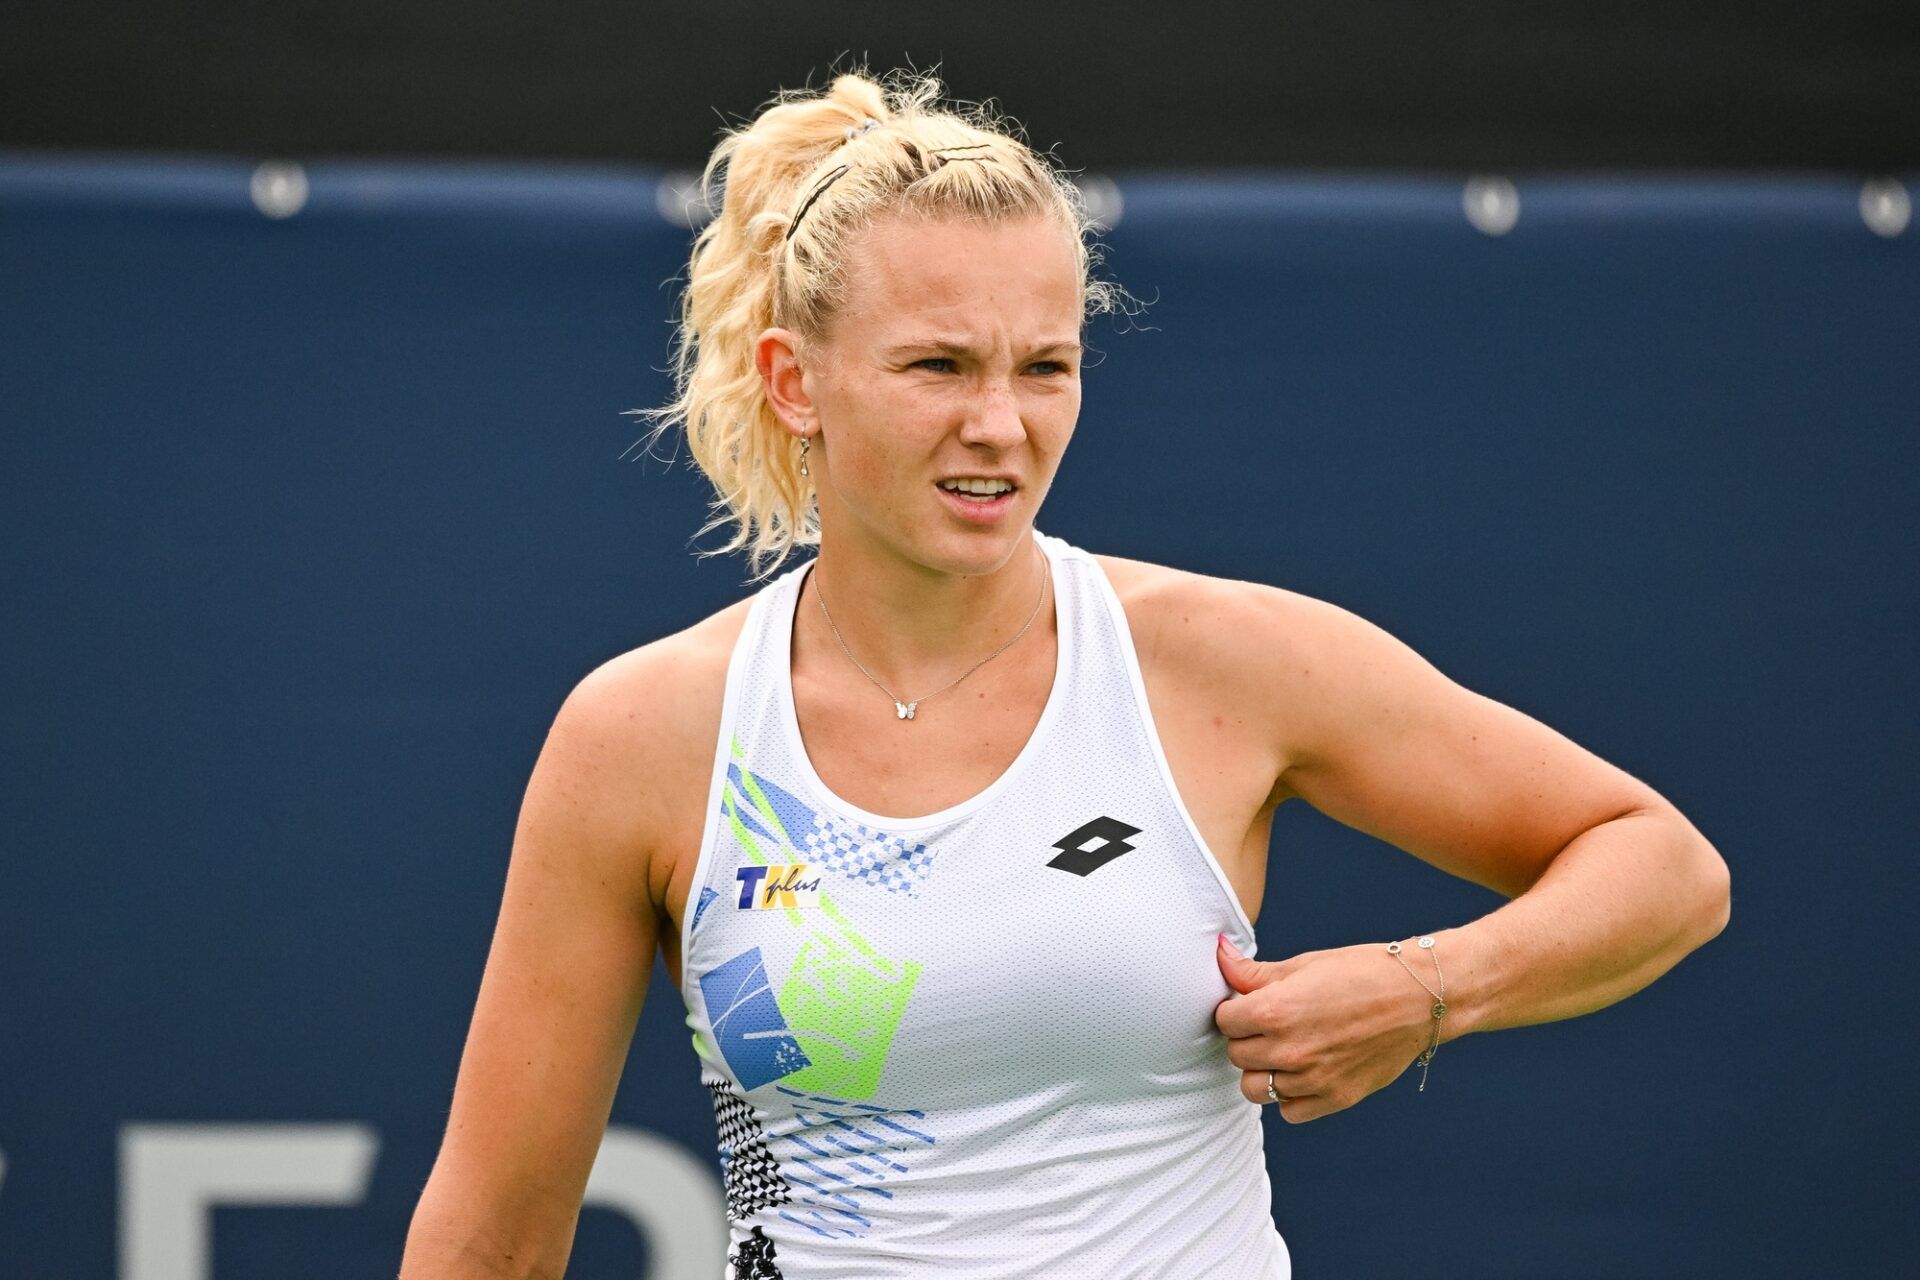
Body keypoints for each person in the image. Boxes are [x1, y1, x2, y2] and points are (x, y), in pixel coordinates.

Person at [399, 69, 1731, 1280]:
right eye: (938, 365)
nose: (1002, 424)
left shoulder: (1221, 658)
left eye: (1046, 367)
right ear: (793, 383)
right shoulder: (646, 732)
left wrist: (1426, 988)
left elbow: (1660, 863)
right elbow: (494, 1234)